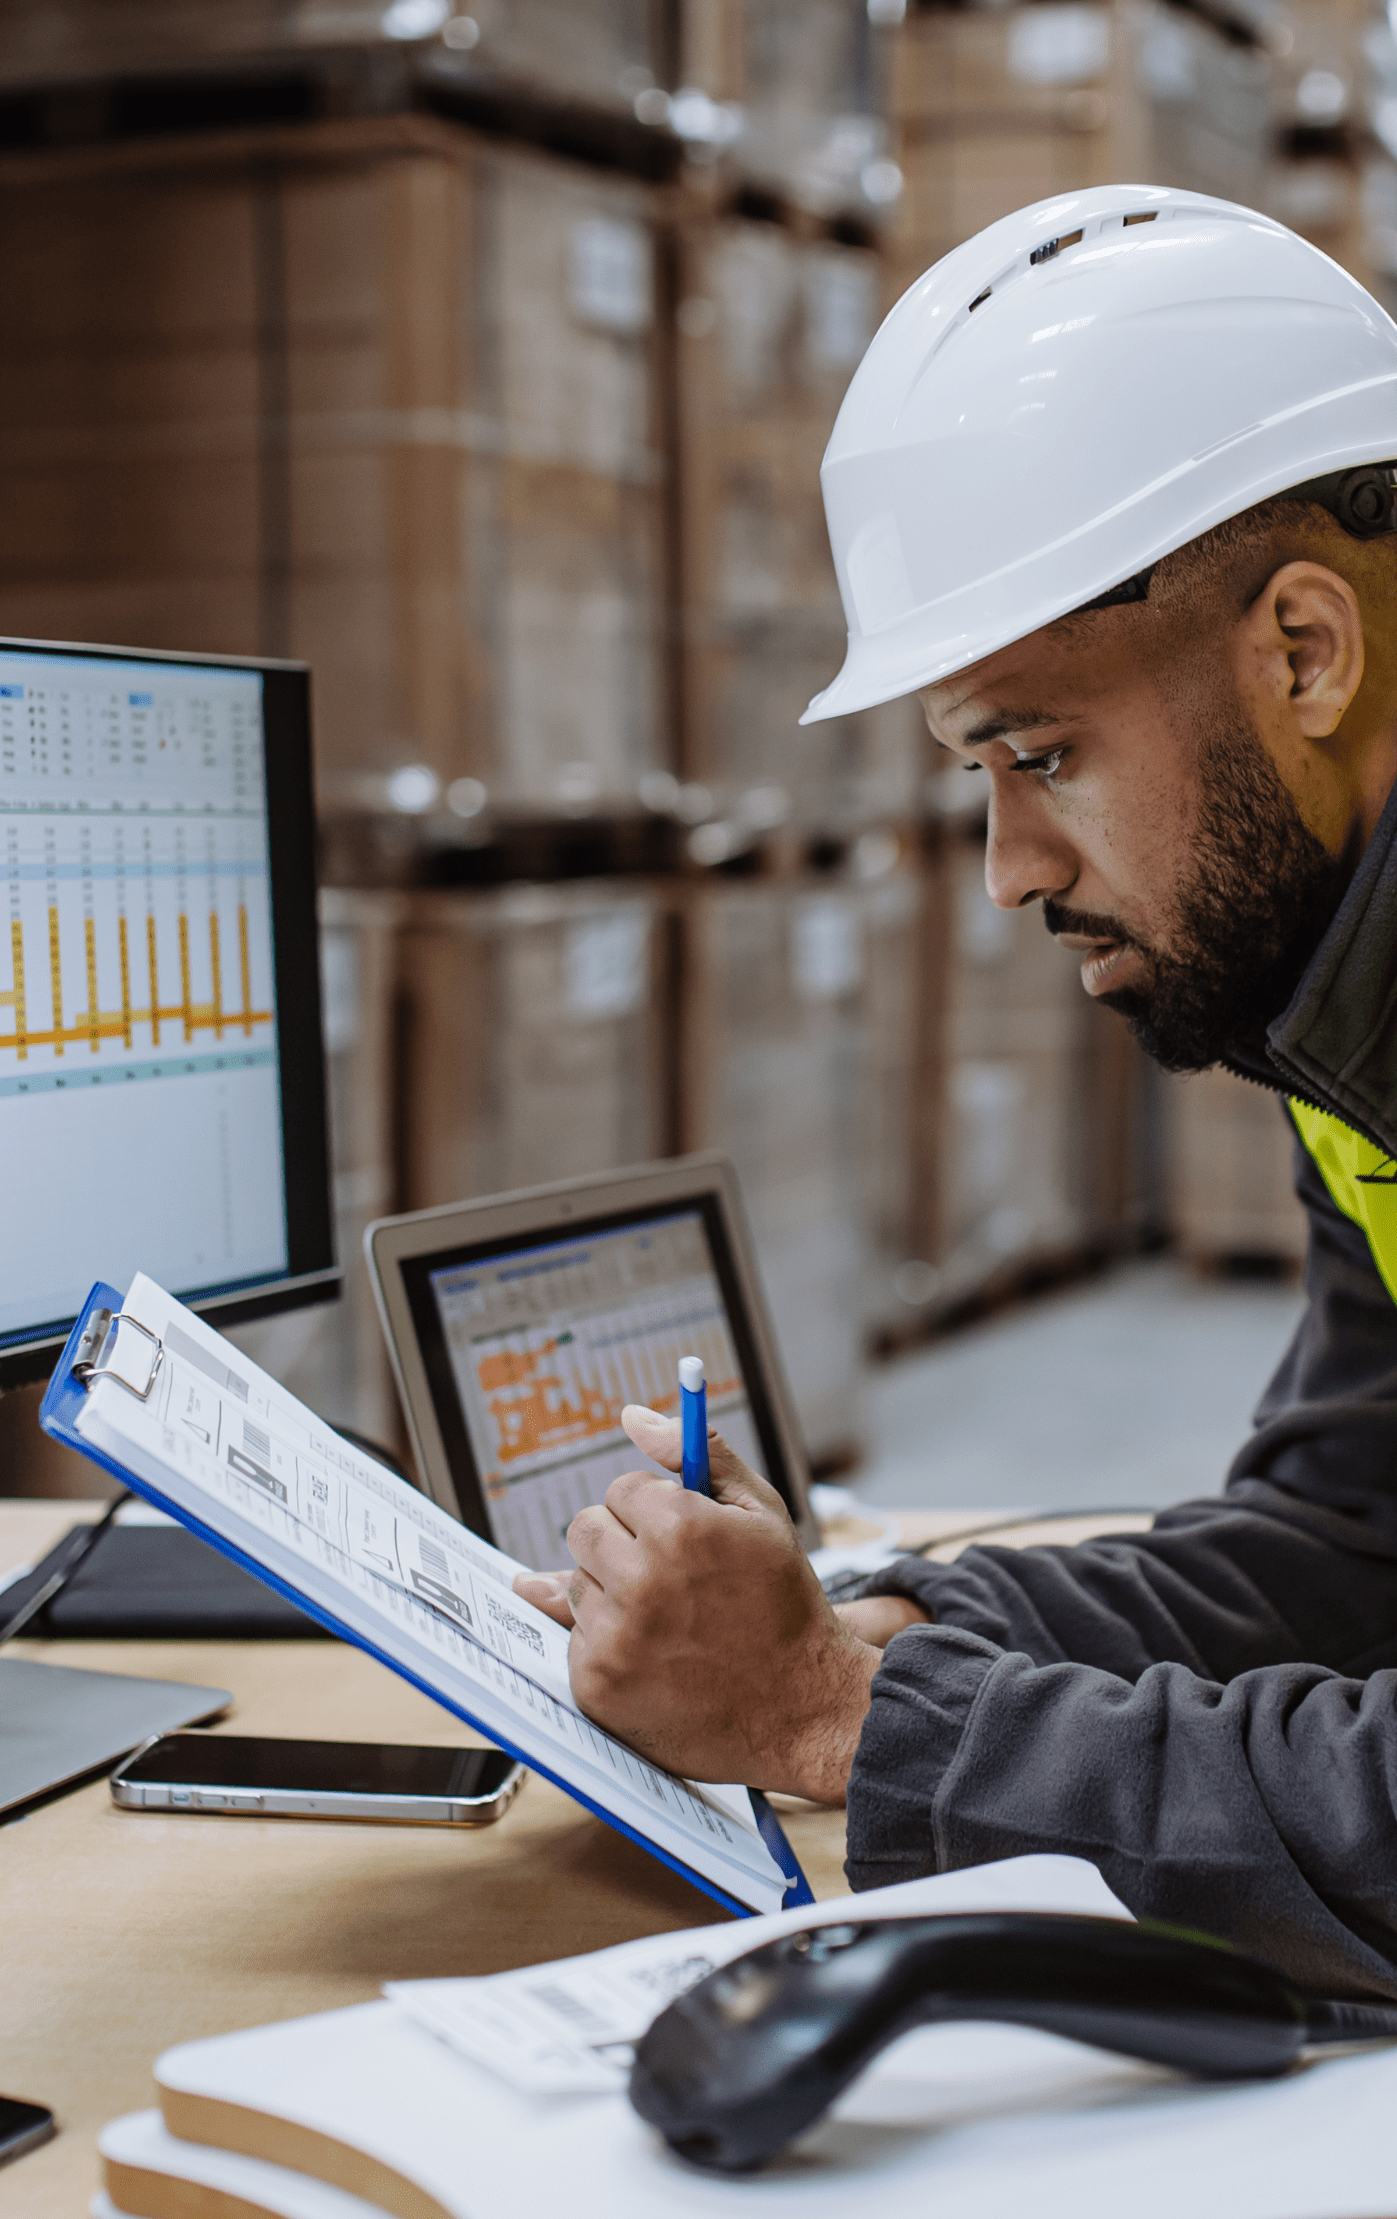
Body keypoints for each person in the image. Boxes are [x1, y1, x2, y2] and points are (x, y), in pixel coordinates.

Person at [516, 185, 1397, 2000]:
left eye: (1042, 753)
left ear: (1301, 651)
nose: (1004, 866)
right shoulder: (1347, 1005)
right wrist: (907, 1623)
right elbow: (1350, 1539)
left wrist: (851, 1721)